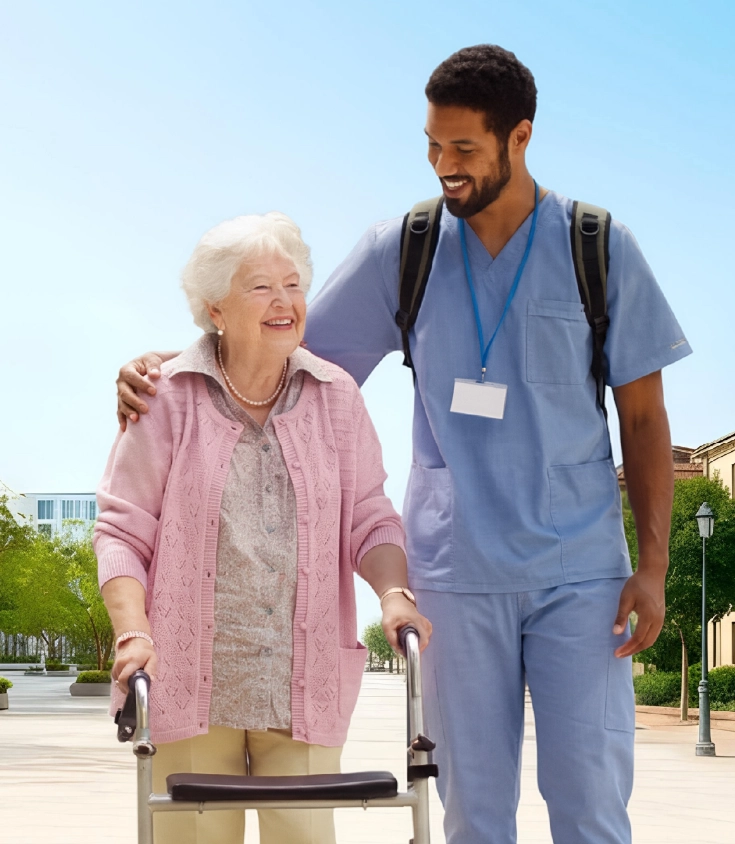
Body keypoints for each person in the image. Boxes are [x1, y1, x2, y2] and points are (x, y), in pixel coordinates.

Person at [116, 46, 690, 844]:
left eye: (464, 150)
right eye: (431, 146)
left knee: (591, 805)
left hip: (580, 577)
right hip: (452, 576)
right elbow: (277, 344)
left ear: (519, 138)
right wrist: (167, 366)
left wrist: (654, 565)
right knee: (473, 813)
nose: (443, 167)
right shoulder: (408, 247)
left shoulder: (598, 247)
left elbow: (647, 423)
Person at [96, 211, 431, 844]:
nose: (285, 302)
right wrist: (132, 632)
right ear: (215, 308)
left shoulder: (336, 397)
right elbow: (122, 531)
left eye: (294, 283)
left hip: (300, 688)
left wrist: (393, 594)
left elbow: (370, 515)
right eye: (260, 287)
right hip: (187, 682)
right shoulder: (164, 397)